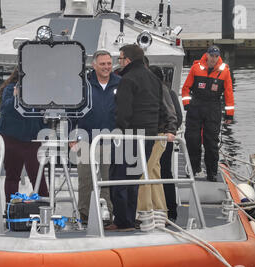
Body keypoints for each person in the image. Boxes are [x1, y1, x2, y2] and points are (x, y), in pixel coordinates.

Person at [106, 44, 174, 231]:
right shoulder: (153, 79)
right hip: (149, 137)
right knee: (134, 180)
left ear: (127, 59)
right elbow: (161, 108)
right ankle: (129, 218)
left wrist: (119, 132)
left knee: (118, 179)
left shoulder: (127, 79)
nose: (118, 62)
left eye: (120, 59)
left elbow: (123, 112)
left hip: (129, 136)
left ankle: (122, 221)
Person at [69, 50, 121, 223]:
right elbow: (72, 113)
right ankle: (84, 214)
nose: (107, 67)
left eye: (109, 63)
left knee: (108, 180)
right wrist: (71, 136)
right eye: (103, 64)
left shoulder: (120, 84)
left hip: (111, 141)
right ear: (94, 65)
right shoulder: (83, 85)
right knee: (85, 179)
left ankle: (109, 215)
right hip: (85, 140)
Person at [182, 45, 235, 182]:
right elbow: (186, 88)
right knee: (192, 140)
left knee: (211, 142)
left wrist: (229, 114)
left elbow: (228, 93)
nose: (213, 59)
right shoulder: (196, 68)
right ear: (207, 55)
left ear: (218, 57)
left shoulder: (224, 71)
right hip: (196, 107)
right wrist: (187, 104)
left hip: (213, 108)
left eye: (216, 56)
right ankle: (194, 169)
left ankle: (211, 173)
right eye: (211, 56)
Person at [0, 68, 48, 202]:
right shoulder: (9, 89)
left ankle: (45, 210)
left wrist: (45, 131)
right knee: (13, 176)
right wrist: (16, 97)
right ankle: (11, 212)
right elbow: (5, 109)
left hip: (32, 140)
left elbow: (43, 117)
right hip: (10, 139)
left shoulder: (41, 92)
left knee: (38, 177)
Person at [137, 65, 177, 216]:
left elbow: (173, 113)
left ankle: (145, 209)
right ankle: (160, 209)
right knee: (154, 172)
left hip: (159, 135)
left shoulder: (161, 90)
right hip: (152, 135)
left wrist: (170, 130)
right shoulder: (152, 91)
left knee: (145, 171)